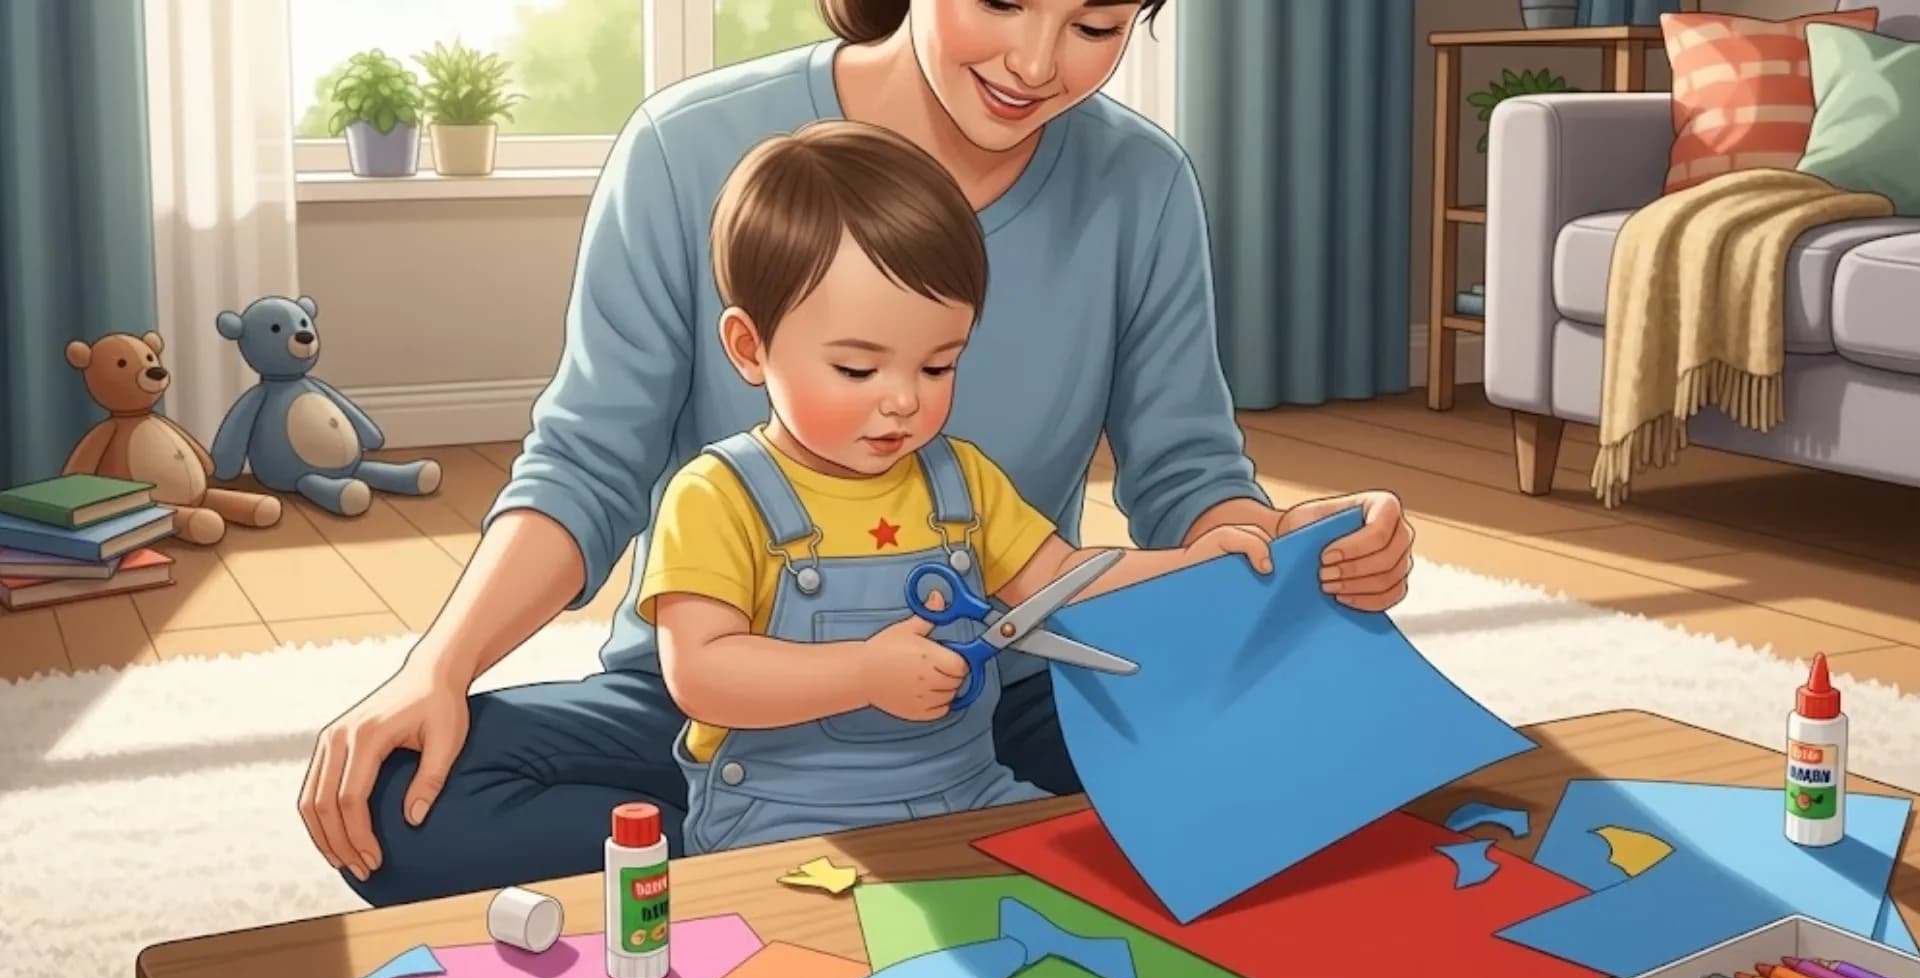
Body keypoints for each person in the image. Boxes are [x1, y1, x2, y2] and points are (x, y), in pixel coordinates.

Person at [300, 0, 1418, 906]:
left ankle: (851, 869)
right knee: (402, 797)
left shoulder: (1140, 181)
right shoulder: (687, 150)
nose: (1038, 62)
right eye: (1004, 1)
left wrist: (1268, 557)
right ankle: (796, 858)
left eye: (1098, 24)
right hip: (718, 709)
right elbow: (588, 466)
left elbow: (1186, 472)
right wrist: (437, 668)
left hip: (1005, 685)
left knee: (1327, 776)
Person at [652, 120, 1274, 854]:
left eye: (938, 366)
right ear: (749, 348)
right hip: (785, 820)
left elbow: (1064, 579)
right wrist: (862, 672)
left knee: (1088, 874)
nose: (904, 401)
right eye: (858, 370)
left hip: (967, 789)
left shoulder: (959, 479)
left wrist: (1193, 565)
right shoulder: (717, 496)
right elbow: (701, 674)